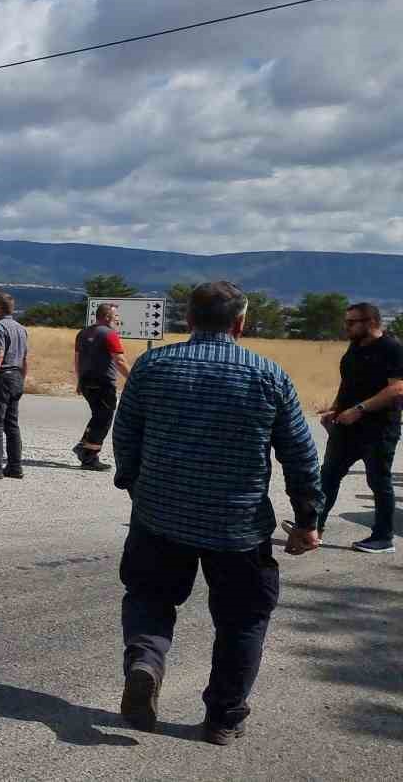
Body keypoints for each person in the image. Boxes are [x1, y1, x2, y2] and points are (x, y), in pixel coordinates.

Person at [111, 281, 323, 745]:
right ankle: (224, 717)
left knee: (149, 597)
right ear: (240, 323)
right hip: (238, 525)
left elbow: (125, 434)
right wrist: (308, 519)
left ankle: (146, 661)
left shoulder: (153, 366)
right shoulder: (268, 375)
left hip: (160, 515)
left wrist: (135, 486)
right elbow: (300, 455)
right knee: (243, 620)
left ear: (189, 320)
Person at [314, 302, 403, 553]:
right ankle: (313, 528)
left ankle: (383, 537)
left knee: (378, 481)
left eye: (352, 322)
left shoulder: (392, 348)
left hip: (379, 429)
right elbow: (348, 384)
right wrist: (334, 410)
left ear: (371, 322)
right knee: (328, 476)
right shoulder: (355, 347)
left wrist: (359, 409)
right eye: (347, 322)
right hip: (346, 427)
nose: (347, 327)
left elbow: (398, 389)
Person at [73, 303, 130, 471]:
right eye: (115, 316)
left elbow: (77, 359)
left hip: (86, 382)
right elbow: (120, 360)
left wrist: (79, 381)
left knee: (98, 415)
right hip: (103, 383)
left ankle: (84, 446)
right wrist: (134, 378)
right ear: (107, 317)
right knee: (104, 418)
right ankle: (89, 456)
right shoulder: (110, 334)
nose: (117, 320)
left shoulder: (82, 333)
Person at [0, 292, 28, 480]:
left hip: (2, 376)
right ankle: (15, 466)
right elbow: (25, 358)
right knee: (12, 424)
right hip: (17, 375)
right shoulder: (21, 329)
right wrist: (22, 379)